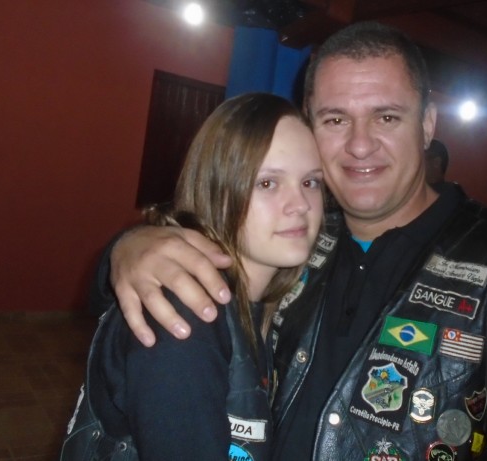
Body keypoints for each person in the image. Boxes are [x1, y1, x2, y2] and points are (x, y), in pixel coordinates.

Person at [95, 22, 487, 460]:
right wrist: (128, 249)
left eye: (386, 117)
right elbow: (206, 254)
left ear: (427, 124)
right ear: (311, 129)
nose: (360, 144)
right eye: (336, 119)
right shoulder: (300, 239)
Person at [60, 93, 324, 460]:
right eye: (267, 183)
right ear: (218, 190)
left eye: (311, 182)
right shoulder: (187, 315)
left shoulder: (257, 301)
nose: (301, 205)